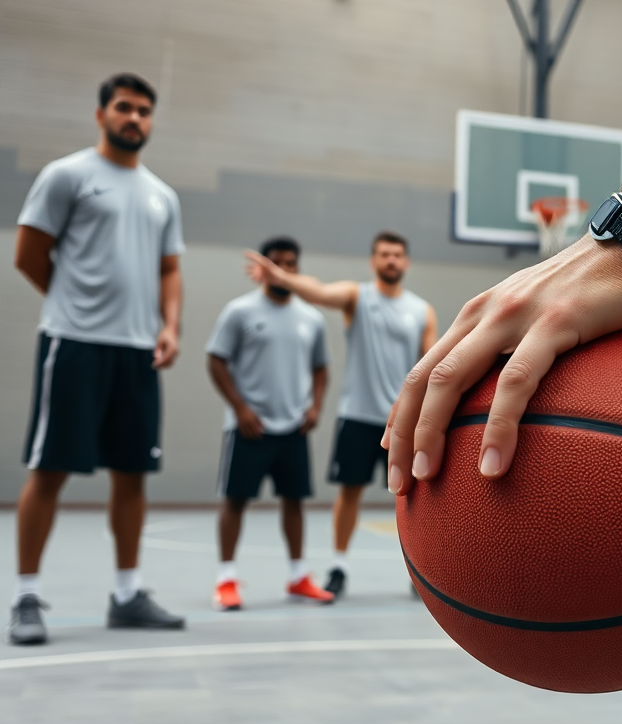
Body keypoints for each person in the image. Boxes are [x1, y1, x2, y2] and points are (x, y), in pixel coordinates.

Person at [8, 72, 186, 646]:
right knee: (50, 469)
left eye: (143, 111)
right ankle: (25, 596)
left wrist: (170, 326)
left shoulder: (163, 195)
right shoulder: (67, 175)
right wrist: (72, 304)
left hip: (138, 353)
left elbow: (169, 269)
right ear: (101, 114)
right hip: (74, 343)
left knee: (132, 474)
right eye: (124, 108)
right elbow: (29, 253)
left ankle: (128, 594)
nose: (134, 119)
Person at [245, 231, 437, 599]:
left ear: (406, 262)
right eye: (384, 254)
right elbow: (317, 291)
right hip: (358, 416)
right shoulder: (357, 297)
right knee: (350, 493)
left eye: (397, 254)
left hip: (403, 422)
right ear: (374, 261)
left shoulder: (421, 310)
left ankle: (420, 570)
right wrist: (283, 277)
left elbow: (432, 365)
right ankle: (338, 566)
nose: (391, 260)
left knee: (412, 496)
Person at [207, 236, 333, 611]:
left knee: (294, 501)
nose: (283, 269)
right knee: (236, 501)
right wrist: (240, 408)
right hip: (249, 428)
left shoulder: (312, 317)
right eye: (275, 262)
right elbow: (216, 361)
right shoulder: (239, 312)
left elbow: (321, 367)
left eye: (290, 263)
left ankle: (298, 577)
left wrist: (315, 406)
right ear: (261, 267)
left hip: (293, 428)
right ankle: (225, 579)